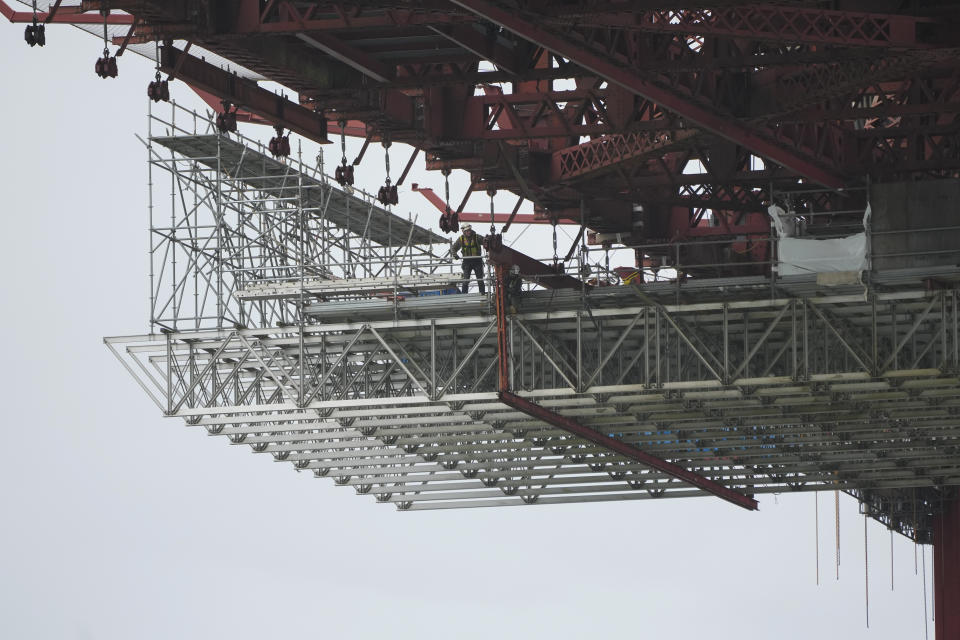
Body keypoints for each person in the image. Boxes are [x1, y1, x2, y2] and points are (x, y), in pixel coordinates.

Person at [450, 224, 485, 294]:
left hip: (477, 260)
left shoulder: (477, 237)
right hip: (467, 261)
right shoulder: (461, 239)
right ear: (464, 231)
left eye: (469, 230)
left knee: (480, 279)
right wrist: (455, 255)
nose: (468, 232)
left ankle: (482, 294)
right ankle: (464, 295)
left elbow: (486, 242)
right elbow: (453, 248)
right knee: (466, 280)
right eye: (467, 231)